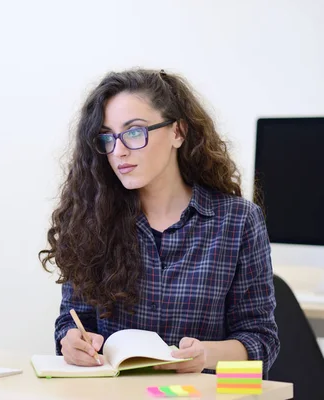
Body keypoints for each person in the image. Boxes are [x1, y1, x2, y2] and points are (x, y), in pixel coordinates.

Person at [39, 68, 280, 375]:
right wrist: (71, 342)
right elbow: (72, 323)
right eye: (107, 137)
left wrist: (207, 354)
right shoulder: (90, 220)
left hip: (195, 396)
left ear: (177, 132)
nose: (119, 151)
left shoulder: (237, 220)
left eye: (135, 132)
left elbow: (261, 340)